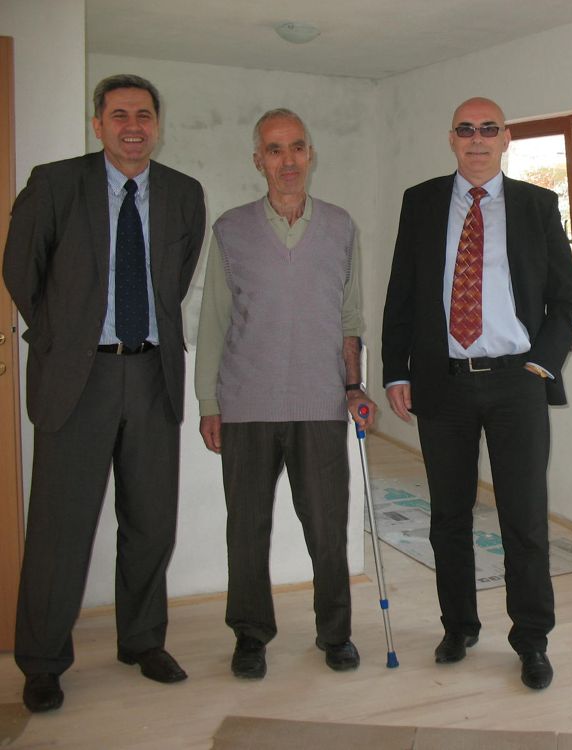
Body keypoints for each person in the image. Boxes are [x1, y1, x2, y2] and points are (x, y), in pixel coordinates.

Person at [2, 74, 206, 712]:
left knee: (150, 522)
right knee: (60, 528)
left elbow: (175, 278)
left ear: (157, 124)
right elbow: (20, 270)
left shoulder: (183, 193)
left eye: (144, 115)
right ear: (99, 125)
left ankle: (142, 640)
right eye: (120, 115)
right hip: (78, 380)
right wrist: (64, 339)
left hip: (151, 376)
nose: (133, 126)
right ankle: (42, 661)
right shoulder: (55, 184)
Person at [381, 97, 572, 690]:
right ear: (451, 138)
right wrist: (396, 371)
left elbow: (565, 302)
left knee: (524, 519)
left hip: (517, 382)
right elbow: (401, 292)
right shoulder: (421, 203)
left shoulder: (537, 206)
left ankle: (532, 641)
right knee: (449, 515)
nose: (476, 139)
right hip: (443, 383)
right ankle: (458, 626)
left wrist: (542, 365)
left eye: (488, 129)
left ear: (505, 138)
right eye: (465, 129)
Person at [195, 108, 374, 680]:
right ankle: (250, 636)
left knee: (327, 527)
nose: (288, 160)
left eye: (297, 147)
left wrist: (353, 386)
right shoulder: (230, 229)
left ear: (310, 154)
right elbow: (214, 322)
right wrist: (209, 402)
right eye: (275, 150)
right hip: (246, 405)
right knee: (246, 529)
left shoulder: (341, 227)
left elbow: (350, 318)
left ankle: (335, 633)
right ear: (258, 161)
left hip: (320, 404)